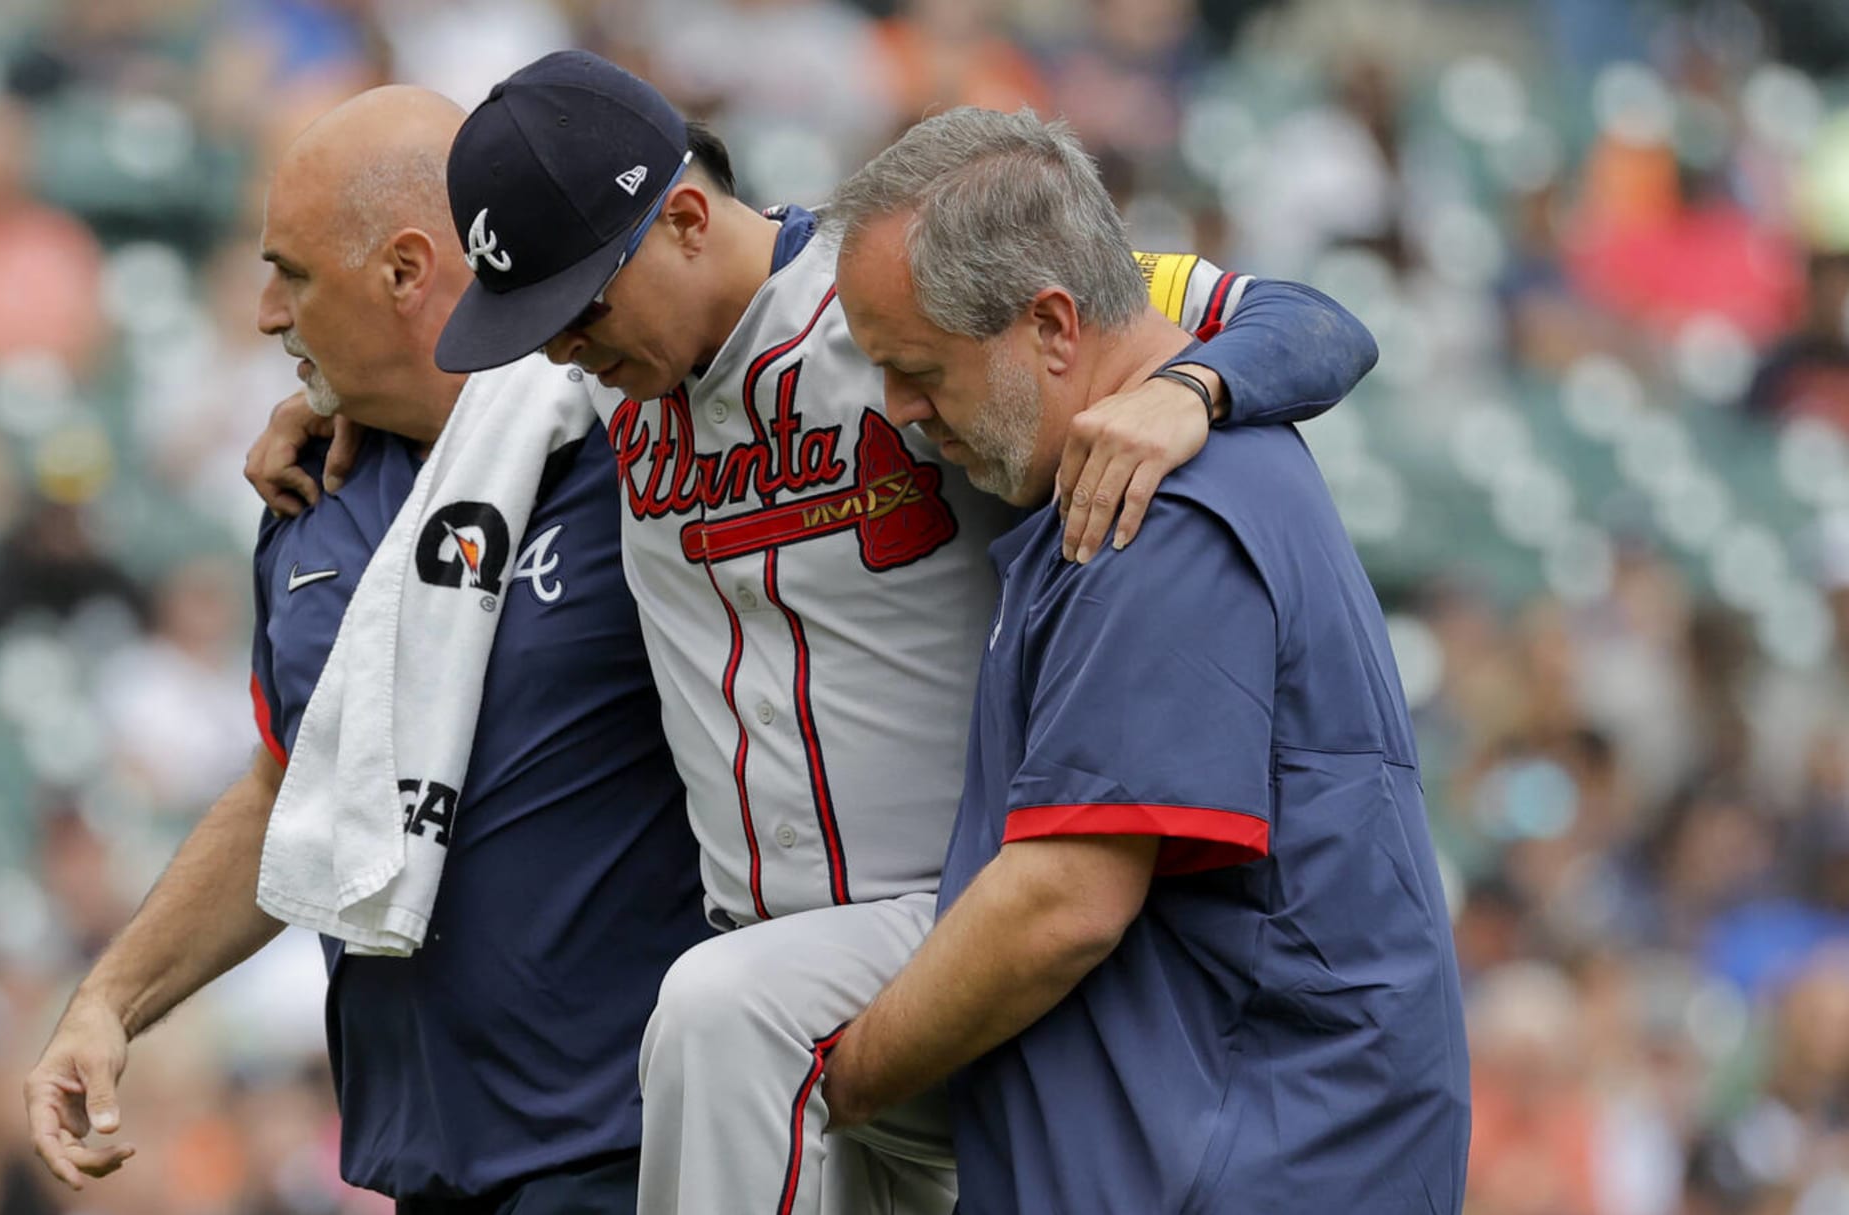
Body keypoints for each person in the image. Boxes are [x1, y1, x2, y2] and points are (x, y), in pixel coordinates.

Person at [254, 51, 1379, 1215]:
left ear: (685, 219)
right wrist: (329, 400)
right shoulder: (605, 377)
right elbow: (448, 377)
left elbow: (1308, 318)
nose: (558, 348)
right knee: (731, 1009)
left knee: (720, 1010)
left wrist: (1192, 389)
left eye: (576, 308)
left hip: (940, 936)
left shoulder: (902, 292)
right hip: (791, 1006)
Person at [23, 85, 709, 1215]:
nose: (261, 313)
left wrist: (1122, 385)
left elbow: (773, 291)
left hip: (636, 1148)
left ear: (402, 270)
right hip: (424, 1160)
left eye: (290, 272)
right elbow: (293, 786)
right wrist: (110, 999)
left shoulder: (637, 437)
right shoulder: (309, 500)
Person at [815, 107, 1469, 1214]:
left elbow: (1062, 905)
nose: (900, 413)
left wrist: (834, 1080)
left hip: (1251, 1169)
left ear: (1056, 327)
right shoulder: (1164, 455)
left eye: (919, 369)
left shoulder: (1158, 518)